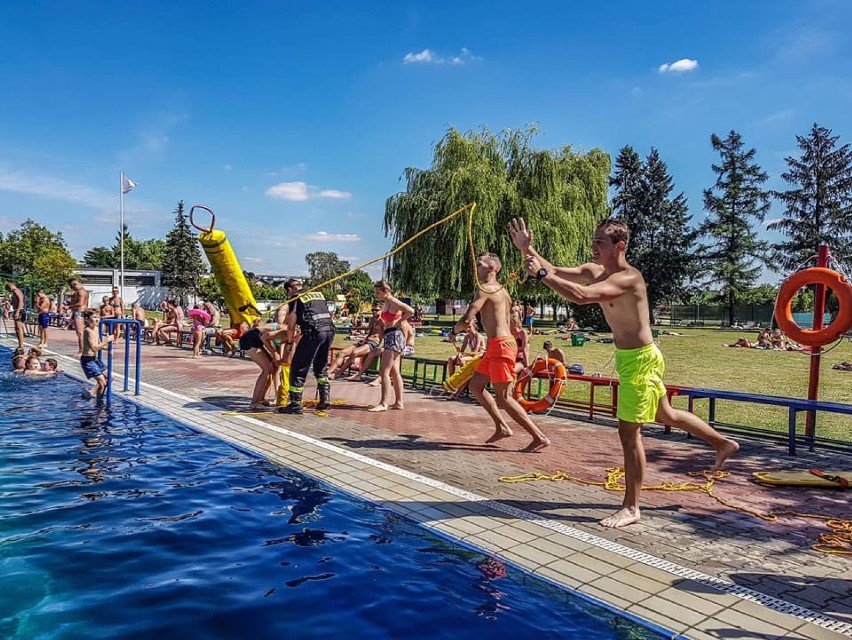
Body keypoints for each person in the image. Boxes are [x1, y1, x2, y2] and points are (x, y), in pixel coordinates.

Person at [510, 217, 738, 527]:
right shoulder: (595, 271)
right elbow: (557, 271)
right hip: (634, 359)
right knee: (667, 415)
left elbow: (580, 295)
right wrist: (528, 249)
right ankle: (723, 444)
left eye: (600, 242)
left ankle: (632, 507)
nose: (594, 246)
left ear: (620, 246)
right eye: (594, 240)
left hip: (641, 361)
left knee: (629, 433)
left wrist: (539, 273)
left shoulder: (629, 278)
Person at [448, 252, 550, 452]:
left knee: (504, 397)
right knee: (476, 386)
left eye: (479, 264)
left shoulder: (484, 290)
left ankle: (539, 437)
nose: (475, 268)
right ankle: (501, 427)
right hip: (498, 345)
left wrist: (453, 332)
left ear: (491, 268)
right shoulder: (503, 291)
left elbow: (468, 319)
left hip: (501, 345)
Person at [277, 279, 335, 414]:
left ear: (290, 289)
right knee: (320, 365)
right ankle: (325, 399)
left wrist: (290, 342)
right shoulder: (317, 294)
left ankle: (295, 404)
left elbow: (291, 323)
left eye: (287, 292)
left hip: (313, 333)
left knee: (298, 366)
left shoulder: (295, 297)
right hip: (329, 331)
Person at [368, 280, 414, 412]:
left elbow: (410, 310)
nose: (376, 295)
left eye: (378, 292)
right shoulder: (386, 303)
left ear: (385, 291)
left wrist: (399, 321)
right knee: (394, 372)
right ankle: (399, 402)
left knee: (384, 371)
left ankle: (384, 403)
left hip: (395, 335)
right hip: (390, 335)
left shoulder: (393, 301)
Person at [330, 304, 383, 379]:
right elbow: (369, 332)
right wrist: (361, 336)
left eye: (376, 310)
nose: (374, 312)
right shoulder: (372, 319)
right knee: (342, 353)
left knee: (354, 353)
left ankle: (338, 373)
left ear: (381, 310)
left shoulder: (383, 321)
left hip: (373, 343)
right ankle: (328, 372)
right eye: (372, 310)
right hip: (365, 341)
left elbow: (385, 334)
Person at [238, 319, 280, 410]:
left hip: (255, 340)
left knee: (272, 369)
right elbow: (264, 338)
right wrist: (274, 353)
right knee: (267, 370)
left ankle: (260, 399)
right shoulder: (284, 329)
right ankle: (254, 402)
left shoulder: (286, 330)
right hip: (249, 340)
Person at [80, 311, 114, 399]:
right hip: (87, 360)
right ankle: (99, 404)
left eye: (98, 317)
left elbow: (98, 343)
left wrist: (108, 348)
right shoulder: (87, 331)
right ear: (87, 320)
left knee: (110, 378)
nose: (97, 319)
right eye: (94, 317)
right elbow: (94, 348)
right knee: (102, 383)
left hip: (94, 359)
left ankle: (91, 392)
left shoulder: (96, 329)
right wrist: (106, 341)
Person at [65, 278, 90, 356]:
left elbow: (80, 303)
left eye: (72, 286)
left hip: (79, 312)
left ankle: (81, 351)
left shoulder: (81, 291)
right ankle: (83, 350)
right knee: (81, 333)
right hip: (78, 312)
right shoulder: (79, 291)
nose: (72, 288)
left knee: (80, 333)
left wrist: (69, 306)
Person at [4, 282, 26, 349]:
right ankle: (20, 345)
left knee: (19, 329)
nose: (9, 291)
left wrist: (18, 311)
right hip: (17, 310)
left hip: (19, 311)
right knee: (17, 329)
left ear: (10, 287)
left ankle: (21, 346)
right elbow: (14, 302)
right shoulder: (14, 293)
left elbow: (21, 301)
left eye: (8, 289)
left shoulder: (17, 291)